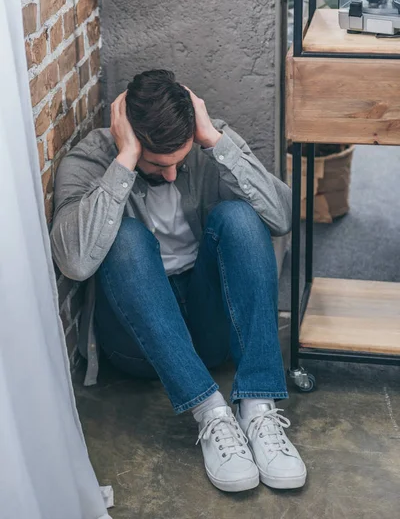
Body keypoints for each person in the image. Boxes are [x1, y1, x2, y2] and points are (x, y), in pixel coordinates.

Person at [51, 69, 306, 493]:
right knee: (125, 240)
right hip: (136, 345)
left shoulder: (207, 141)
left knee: (241, 219)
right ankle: (211, 415)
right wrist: (126, 161)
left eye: (178, 162)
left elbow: (281, 218)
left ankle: (258, 407)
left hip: (209, 329)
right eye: (156, 163)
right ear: (127, 136)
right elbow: (74, 262)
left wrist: (216, 143)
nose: (171, 175)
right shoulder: (92, 159)